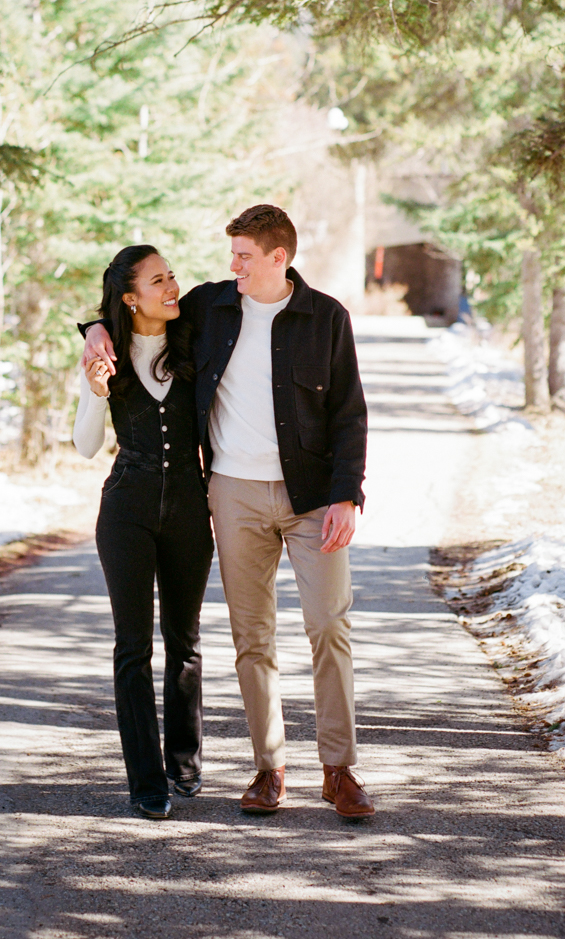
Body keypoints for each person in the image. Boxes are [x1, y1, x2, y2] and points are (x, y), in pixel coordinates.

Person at [81, 206, 374, 820]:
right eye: (231, 255)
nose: (230, 265)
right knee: (252, 638)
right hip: (232, 495)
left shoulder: (326, 319)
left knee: (328, 624)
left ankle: (339, 769)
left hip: (313, 496)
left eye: (243, 255)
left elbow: (350, 412)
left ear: (278, 257)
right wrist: (92, 330)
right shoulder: (213, 307)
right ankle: (270, 771)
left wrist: (348, 493)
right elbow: (133, 311)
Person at [72, 245, 213, 820]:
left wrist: (93, 323)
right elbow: (84, 445)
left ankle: (184, 762)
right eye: (159, 280)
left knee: (185, 642)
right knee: (134, 648)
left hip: (188, 504)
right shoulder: (105, 356)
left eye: (172, 275)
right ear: (131, 298)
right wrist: (96, 390)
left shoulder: (194, 336)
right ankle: (145, 781)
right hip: (126, 507)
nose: (172, 286)